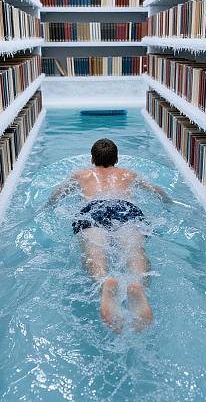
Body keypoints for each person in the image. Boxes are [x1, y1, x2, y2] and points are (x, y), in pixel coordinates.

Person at [47, 138, 170, 333]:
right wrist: (169, 202)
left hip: (94, 208)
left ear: (92, 160)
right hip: (125, 209)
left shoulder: (82, 175)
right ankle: (137, 284)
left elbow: (57, 194)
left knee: (94, 251)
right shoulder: (128, 174)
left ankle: (104, 281)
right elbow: (157, 191)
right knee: (135, 250)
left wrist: (47, 206)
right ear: (117, 159)